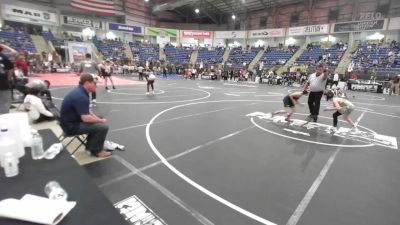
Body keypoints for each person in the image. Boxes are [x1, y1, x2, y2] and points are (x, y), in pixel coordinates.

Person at [60, 74, 111, 157]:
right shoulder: (81, 96)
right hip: (71, 127)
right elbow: (86, 118)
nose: (96, 86)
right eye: (94, 84)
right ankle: (96, 151)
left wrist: (99, 119)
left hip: (70, 122)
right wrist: (100, 121)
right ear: (87, 83)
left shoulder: (81, 91)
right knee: (103, 127)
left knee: (99, 120)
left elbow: (88, 112)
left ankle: (90, 146)